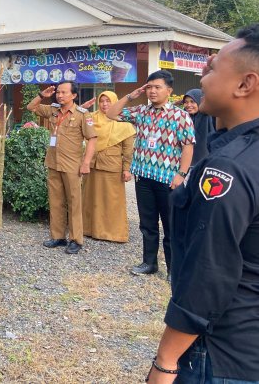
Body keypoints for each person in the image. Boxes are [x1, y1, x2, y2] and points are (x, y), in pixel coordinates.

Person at [146, 24, 259, 383]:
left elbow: (208, 273)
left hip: (221, 352)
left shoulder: (228, 170)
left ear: (245, 84)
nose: (201, 74)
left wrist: (165, 361)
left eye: (212, 68)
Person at [106, 70, 195, 277]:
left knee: (171, 225)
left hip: (168, 180)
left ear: (169, 90)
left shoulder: (180, 116)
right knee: (147, 224)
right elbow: (111, 114)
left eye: (157, 87)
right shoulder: (141, 112)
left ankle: (174, 269)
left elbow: (188, 147)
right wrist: (130, 96)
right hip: (144, 178)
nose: (152, 91)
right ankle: (149, 263)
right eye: (150, 87)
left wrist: (181, 174)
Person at [27, 81, 97, 255]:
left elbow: (92, 139)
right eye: (58, 92)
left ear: (74, 95)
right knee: (56, 201)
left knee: (74, 203)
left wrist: (86, 163)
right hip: (53, 162)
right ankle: (58, 236)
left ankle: (76, 239)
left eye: (64, 92)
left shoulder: (83, 114)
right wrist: (43, 95)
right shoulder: (53, 109)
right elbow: (31, 107)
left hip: (72, 165)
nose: (59, 95)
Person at [81, 91, 135, 243]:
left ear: (115, 103)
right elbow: (77, 122)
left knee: (112, 200)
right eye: (102, 101)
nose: (105, 104)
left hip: (112, 166)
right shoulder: (91, 118)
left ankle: (113, 233)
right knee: (90, 198)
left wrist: (126, 169)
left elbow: (128, 150)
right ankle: (89, 229)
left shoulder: (123, 122)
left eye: (108, 101)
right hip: (91, 164)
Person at [181, 88, 215, 165]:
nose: (189, 105)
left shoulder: (208, 116)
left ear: (200, 101)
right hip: (184, 163)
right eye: (186, 102)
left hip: (205, 162)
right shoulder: (183, 118)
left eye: (192, 102)